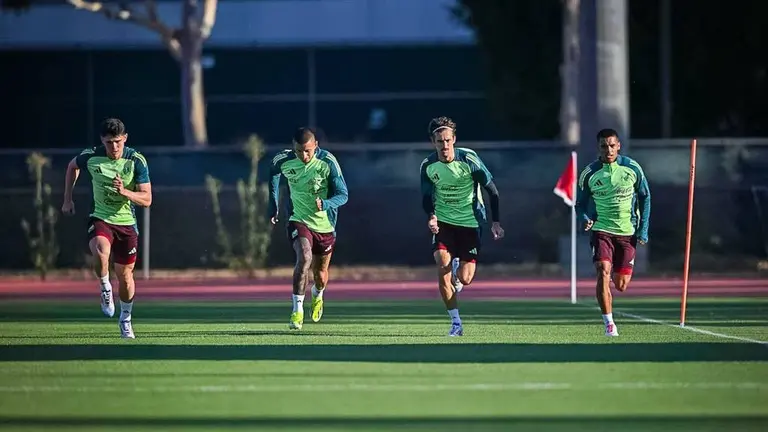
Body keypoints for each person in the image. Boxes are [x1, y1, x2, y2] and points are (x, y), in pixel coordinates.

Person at [61, 118, 152, 339]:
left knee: (126, 276)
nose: (114, 147)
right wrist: (67, 199)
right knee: (101, 250)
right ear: (103, 140)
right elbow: (72, 166)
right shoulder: (91, 156)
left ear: (125, 139)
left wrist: (126, 193)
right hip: (100, 217)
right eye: (110, 142)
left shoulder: (136, 160)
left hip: (126, 223)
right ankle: (105, 288)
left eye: (118, 142)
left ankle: (126, 319)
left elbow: (147, 199)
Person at [420, 116, 504, 337]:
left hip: (470, 223)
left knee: (465, 278)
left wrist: (495, 222)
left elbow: (492, 191)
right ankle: (456, 323)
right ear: (433, 142)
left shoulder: (469, 160)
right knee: (441, 263)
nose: (444, 145)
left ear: (454, 139)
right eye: (440, 141)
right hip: (444, 223)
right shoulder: (428, 166)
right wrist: (431, 216)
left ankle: (458, 272)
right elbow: (426, 196)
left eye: (448, 140)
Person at [268, 127, 349, 330]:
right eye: (298, 151)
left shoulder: (328, 162)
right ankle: (297, 311)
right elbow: (273, 175)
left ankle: (318, 294)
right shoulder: (283, 160)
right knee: (304, 258)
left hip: (325, 225)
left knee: (320, 274)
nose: (303, 156)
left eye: (307, 151)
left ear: (315, 147)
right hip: (298, 219)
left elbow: (343, 194)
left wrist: (327, 203)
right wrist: (274, 206)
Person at [575, 128, 651, 337]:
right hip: (601, 230)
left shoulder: (632, 168)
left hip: (628, 231)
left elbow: (645, 197)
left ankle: (612, 285)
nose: (608, 150)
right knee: (602, 270)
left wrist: (643, 230)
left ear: (618, 146)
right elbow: (579, 204)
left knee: (621, 285)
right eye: (603, 146)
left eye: (611, 145)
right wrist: (585, 219)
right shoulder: (589, 173)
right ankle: (609, 323)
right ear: (598, 148)